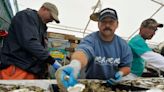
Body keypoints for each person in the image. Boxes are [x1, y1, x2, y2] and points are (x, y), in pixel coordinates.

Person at [55, 8, 133, 89]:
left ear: (117, 24)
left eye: (111, 22)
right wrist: (76, 64)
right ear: (98, 24)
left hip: (112, 86)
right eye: (103, 22)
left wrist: (121, 73)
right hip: (90, 85)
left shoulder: (123, 45)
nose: (107, 25)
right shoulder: (90, 39)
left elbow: (126, 66)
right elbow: (83, 51)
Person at [0, 2, 61, 79]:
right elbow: (29, 42)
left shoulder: (41, 26)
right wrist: (51, 60)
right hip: (17, 68)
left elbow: (40, 48)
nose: (52, 20)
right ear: (43, 8)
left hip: (30, 70)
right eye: (51, 16)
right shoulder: (26, 16)